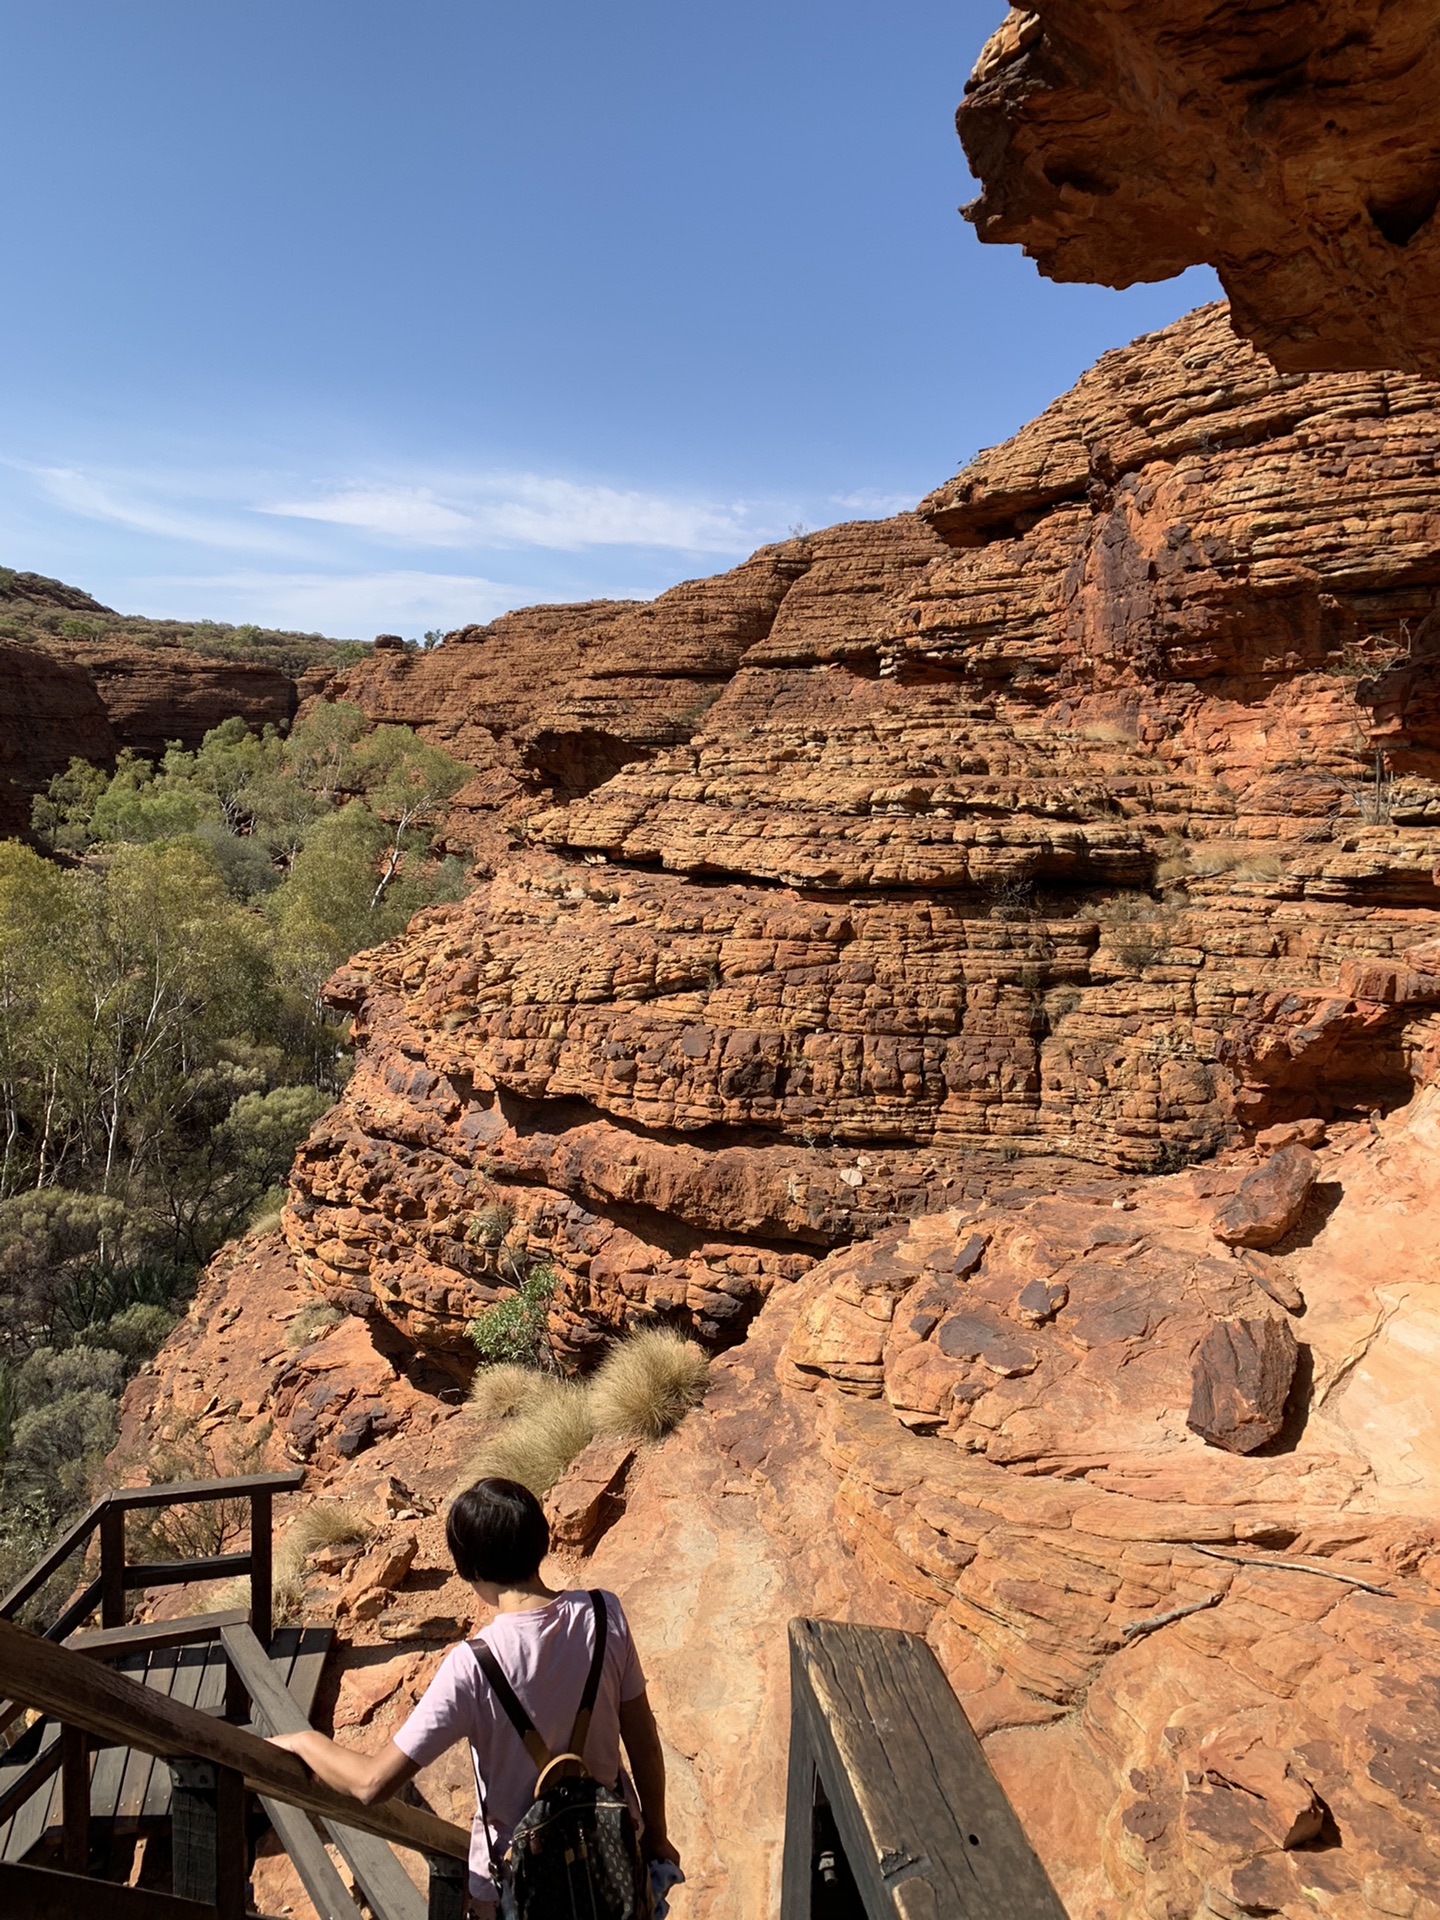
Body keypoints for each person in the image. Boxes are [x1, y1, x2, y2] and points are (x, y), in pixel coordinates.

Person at [268, 1476, 680, 1919]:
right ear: (540, 1540)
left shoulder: (472, 1666)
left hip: (523, 1887)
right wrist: (655, 1832)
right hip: (611, 1867)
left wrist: (304, 1742)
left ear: (472, 1571)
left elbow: (372, 1784)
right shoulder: (603, 1615)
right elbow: (643, 1742)